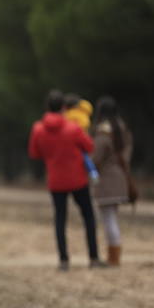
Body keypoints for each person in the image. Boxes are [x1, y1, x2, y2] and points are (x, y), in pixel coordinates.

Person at [28, 89, 106, 270]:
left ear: (47, 107)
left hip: (55, 180)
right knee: (88, 216)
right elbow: (89, 146)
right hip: (77, 179)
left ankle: (63, 260)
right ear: (64, 107)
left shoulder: (38, 129)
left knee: (60, 219)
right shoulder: (73, 128)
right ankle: (93, 258)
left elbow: (34, 152)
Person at [90, 96, 134, 266]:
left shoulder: (103, 131)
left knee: (108, 219)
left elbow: (96, 157)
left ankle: (113, 258)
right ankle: (114, 255)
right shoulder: (123, 129)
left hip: (107, 180)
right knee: (112, 217)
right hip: (121, 177)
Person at [63, 93, 100, 182]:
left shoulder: (68, 115)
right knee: (85, 157)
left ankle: (92, 172)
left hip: (71, 141)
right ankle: (93, 172)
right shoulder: (84, 113)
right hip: (84, 139)